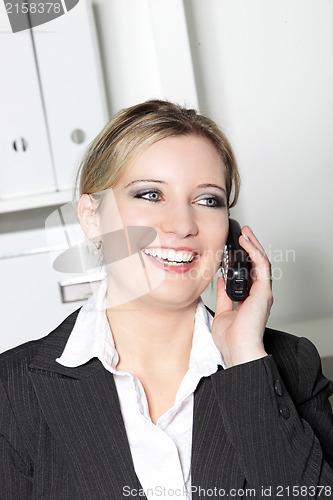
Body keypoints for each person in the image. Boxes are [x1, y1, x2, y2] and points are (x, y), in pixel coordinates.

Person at [0, 100, 332, 500]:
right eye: (150, 194)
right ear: (91, 217)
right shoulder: (12, 389)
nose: (181, 225)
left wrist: (244, 360)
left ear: (229, 232)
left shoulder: (289, 365)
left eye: (208, 200)